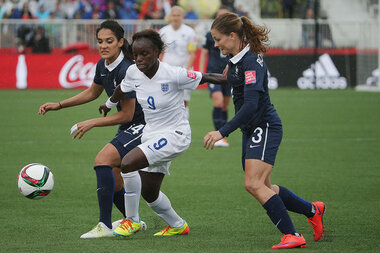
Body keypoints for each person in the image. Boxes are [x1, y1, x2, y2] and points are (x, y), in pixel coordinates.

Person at [203, 13, 325, 249]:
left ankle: (292, 235)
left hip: (264, 126)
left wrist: (222, 131)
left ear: (232, 36)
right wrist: (187, 78)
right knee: (264, 187)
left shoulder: (251, 63)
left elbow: (250, 106)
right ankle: (313, 210)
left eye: (218, 39)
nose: (215, 44)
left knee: (253, 184)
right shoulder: (235, 60)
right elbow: (224, 79)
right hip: (251, 129)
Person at [99, 29, 226, 237]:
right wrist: (109, 103)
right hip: (152, 135)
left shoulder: (173, 73)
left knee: (128, 163)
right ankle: (178, 225)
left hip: (176, 134)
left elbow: (207, 77)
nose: (139, 59)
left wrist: (239, 79)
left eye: (145, 54)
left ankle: (132, 221)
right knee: (149, 192)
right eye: (136, 54)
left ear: (157, 52)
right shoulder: (133, 72)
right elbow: (122, 88)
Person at [38, 20, 146, 239]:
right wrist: (58, 105)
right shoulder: (102, 64)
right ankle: (133, 221)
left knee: (102, 160)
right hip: (129, 125)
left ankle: (104, 226)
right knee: (114, 176)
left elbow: (127, 114)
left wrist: (91, 122)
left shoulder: (126, 69)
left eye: (109, 41)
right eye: (99, 41)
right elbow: (92, 93)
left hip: (146, 126)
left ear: (120, 42)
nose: (103, 45)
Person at [199, 6, 231, 147]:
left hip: (228, 75)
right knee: (218, 102)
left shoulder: (232, 36)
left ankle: (222, 135)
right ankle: (218, 135)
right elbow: (204, 53)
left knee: (224, 106)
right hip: (213, 74)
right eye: (220, 16)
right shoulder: (209, 35)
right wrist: (200, 73)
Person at [159, 5, 197, 118]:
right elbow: (160, 52)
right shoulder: (163, 31)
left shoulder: (189, 32)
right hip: (167, 70)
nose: (175, 18)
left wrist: (186, 70)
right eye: (173, 15)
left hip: (183, 69)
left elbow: (192, 53)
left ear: (182, 16)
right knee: (165, 98)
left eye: (178, 15)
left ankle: (183, 124)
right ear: (170, 17)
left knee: (184, 101)